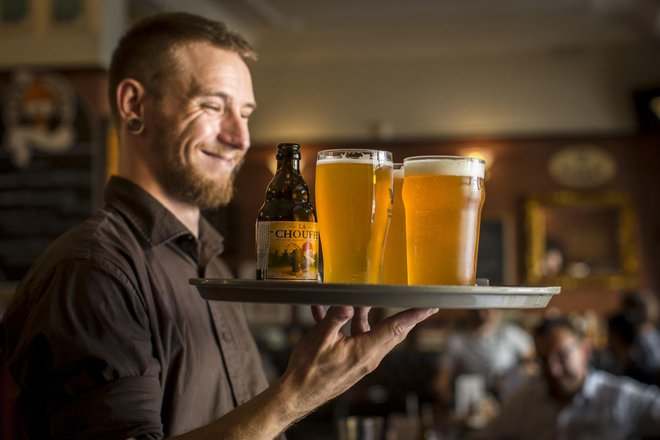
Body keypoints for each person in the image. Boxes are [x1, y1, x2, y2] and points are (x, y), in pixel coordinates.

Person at [0, 12, 438, 439]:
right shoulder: (92, 270)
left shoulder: (211, 267)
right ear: (135, 105)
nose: (241, 138)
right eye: (213, 105)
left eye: (245, 114)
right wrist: (296, 395)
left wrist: (310, 384)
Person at [472, 315, 660, 440]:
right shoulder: (523, 402)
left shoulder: (620, 398)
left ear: (585, 351)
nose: (553, 370)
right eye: (544, 360)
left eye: (562, 356)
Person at [434, 309, 534, 407]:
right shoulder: (456, 341)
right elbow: (442, 382)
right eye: (483, 310)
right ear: (471, 311)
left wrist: (519, 376)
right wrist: (452, 404)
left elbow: (531, 363)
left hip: (509, 399)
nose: (489, 314)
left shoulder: (511, 333)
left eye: (494, 310)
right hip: (473, 403)